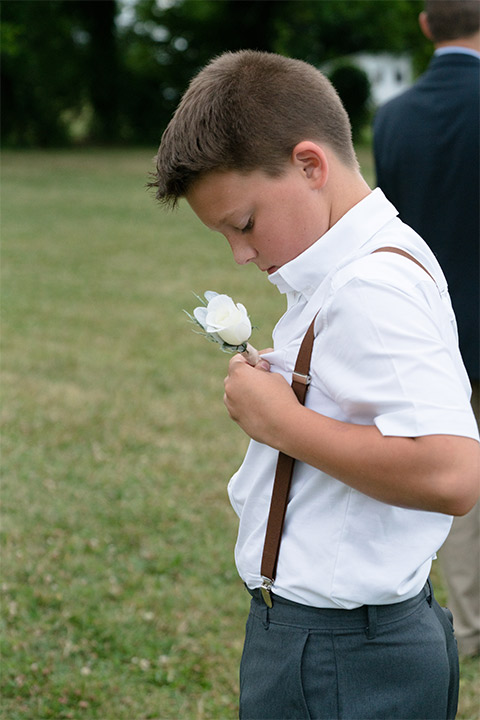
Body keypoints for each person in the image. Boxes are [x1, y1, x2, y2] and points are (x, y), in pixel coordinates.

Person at [149, 50, 480, 719]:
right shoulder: (347, 268)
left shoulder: (369, 285)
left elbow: (453, 475)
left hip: (343, 657)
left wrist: (282, 422)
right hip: (333, 641)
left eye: (243, 225)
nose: (240, 254)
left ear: (309, 165)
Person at [373, 0, 480, 658]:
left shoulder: (392, 117)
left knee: (460, 488)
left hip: (434, 331)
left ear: (423, 27)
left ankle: (469, 629)